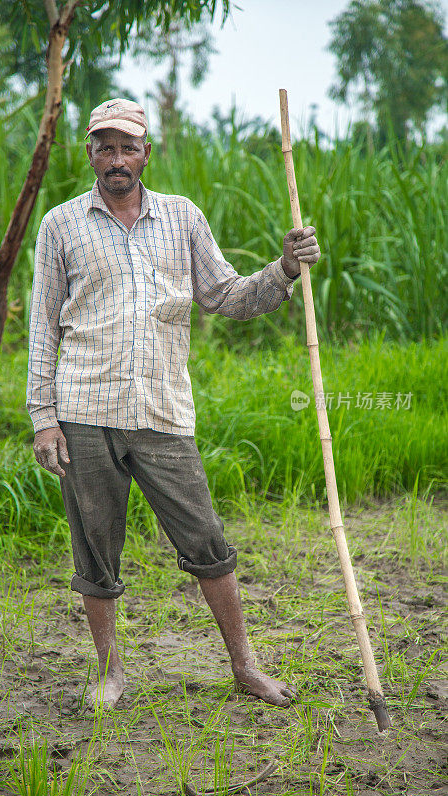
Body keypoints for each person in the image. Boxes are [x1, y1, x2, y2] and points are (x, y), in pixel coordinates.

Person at [27, 98, 321, 708]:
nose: (116, 159)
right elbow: (42, 327)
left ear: (146, 153)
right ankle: (109, 672)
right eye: (104, 147)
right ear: (89, 154)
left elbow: (228, 295)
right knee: (95, 546)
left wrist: (285, 269)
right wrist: (43, 418)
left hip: (162, 411)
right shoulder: (60, 225)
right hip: (85, 410)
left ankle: (244, 666)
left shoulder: (181, 218)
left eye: (127, 147)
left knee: (207, 540)